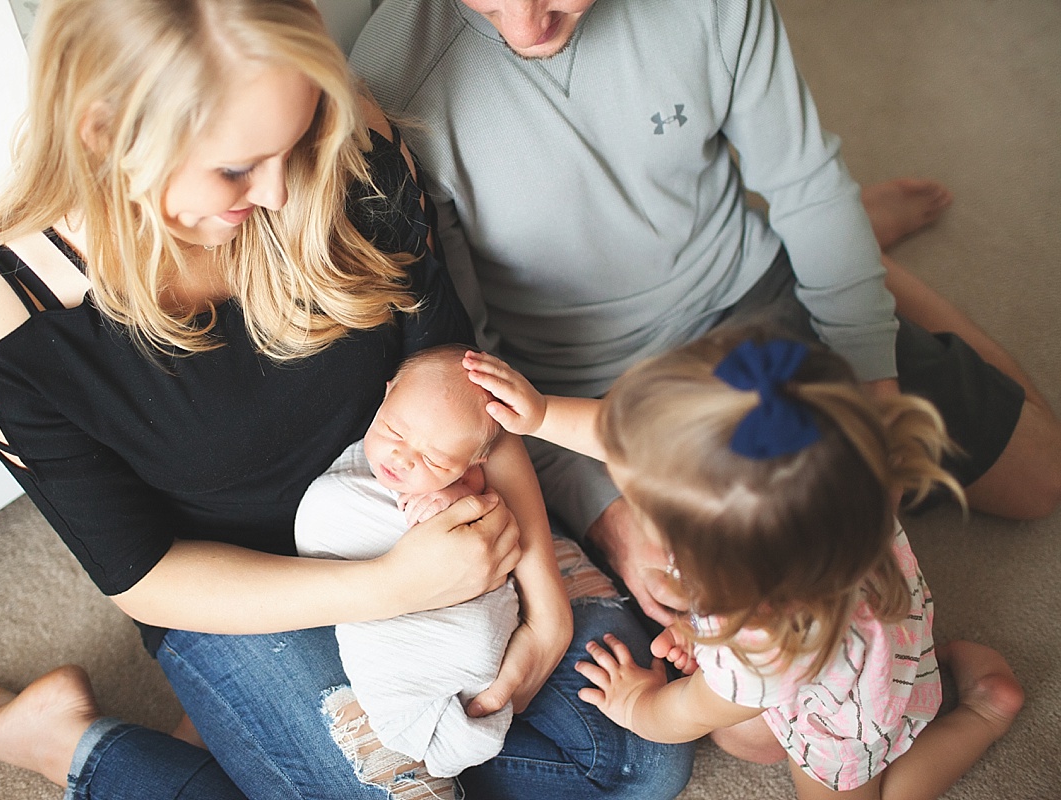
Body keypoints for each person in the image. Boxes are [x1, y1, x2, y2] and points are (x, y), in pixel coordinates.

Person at [0, 1, 695, 799]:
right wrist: (394, 587)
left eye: (290, 146)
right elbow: (140, 574)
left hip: (424, 501)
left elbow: (470, 398)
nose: (283, 189)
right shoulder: (7, 321)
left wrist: (546, 614)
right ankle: (79, 747)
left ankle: (240, 744)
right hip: (245, 592)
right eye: (236, 168)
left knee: (640, 758)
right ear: (104, 130)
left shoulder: (340, 143)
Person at [350, 0, 1061, 635]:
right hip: (591, 391)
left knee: (1042, 480)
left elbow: (806, 186)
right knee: (739, 696)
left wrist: (876, 379)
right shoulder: (387, 85)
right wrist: (606, 511)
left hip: (756, 304)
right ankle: (858, 250)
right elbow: (473, 359)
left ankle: (870, 266)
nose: (528, 27)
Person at [464, 331, 1025, 798]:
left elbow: (689, 710)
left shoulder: (759, 646)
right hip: (881, 636)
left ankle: (984, 713)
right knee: (751, 736)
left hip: (849, 716)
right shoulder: (834, 486)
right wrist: (539, 416)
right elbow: (639, 442)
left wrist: (637, 702)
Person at [294, 343, 520, 782]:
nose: (402, 458)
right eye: (395, 431)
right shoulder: (361, 463)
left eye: (434, 459)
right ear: (387, 392)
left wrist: (451, 499)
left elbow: (488, 512)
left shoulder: (468, 478)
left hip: (459, 607)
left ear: (475, 461)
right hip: (370, 583)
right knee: (328, 507)